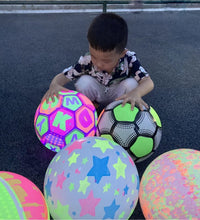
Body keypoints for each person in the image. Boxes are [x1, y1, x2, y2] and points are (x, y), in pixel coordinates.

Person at [43, 12, 154, 111]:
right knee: (84, 82)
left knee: (131, 84)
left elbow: (148, 82)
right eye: (94, 56)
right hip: (98, 94)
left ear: (122, 54)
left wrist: (136, 93)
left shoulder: (129, 59)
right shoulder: (87, 61)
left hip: (120, 96)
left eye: (106, 60)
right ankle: (89, 108)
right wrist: (54, 85)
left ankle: (121, 110)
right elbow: (64, 76)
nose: (98, 63)